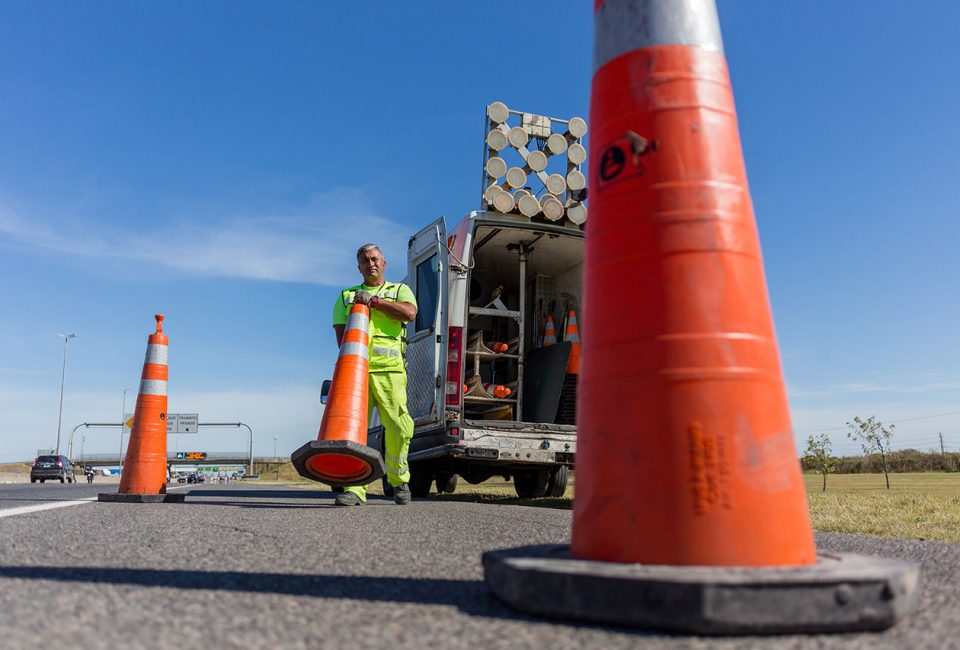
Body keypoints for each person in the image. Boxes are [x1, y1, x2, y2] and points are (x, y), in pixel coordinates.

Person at [331, 243, 417, 506]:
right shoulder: (346, 296)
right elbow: (341, 338)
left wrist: (375, 302)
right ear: (359, 267)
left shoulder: (399, 290)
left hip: (390, 370)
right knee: (354, 429)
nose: (371, 263)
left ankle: (398, 480)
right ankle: (354, 489)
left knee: (399, 427)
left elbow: (410, 313)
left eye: (375, 259)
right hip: (355, 373)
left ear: (384, 263)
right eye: (365, 260)